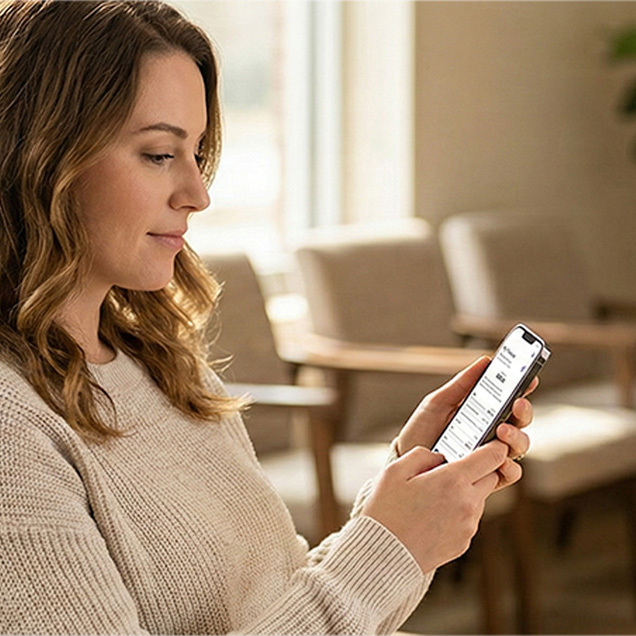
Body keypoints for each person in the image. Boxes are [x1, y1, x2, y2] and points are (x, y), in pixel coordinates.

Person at [0, 1, 533, 633]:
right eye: (158, 154)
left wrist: (396, 508)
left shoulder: (157, 360)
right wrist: (390, 547)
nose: (197, 194)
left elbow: (275, 599)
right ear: (40, 157)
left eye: (197, 153)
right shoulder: (15, 431)